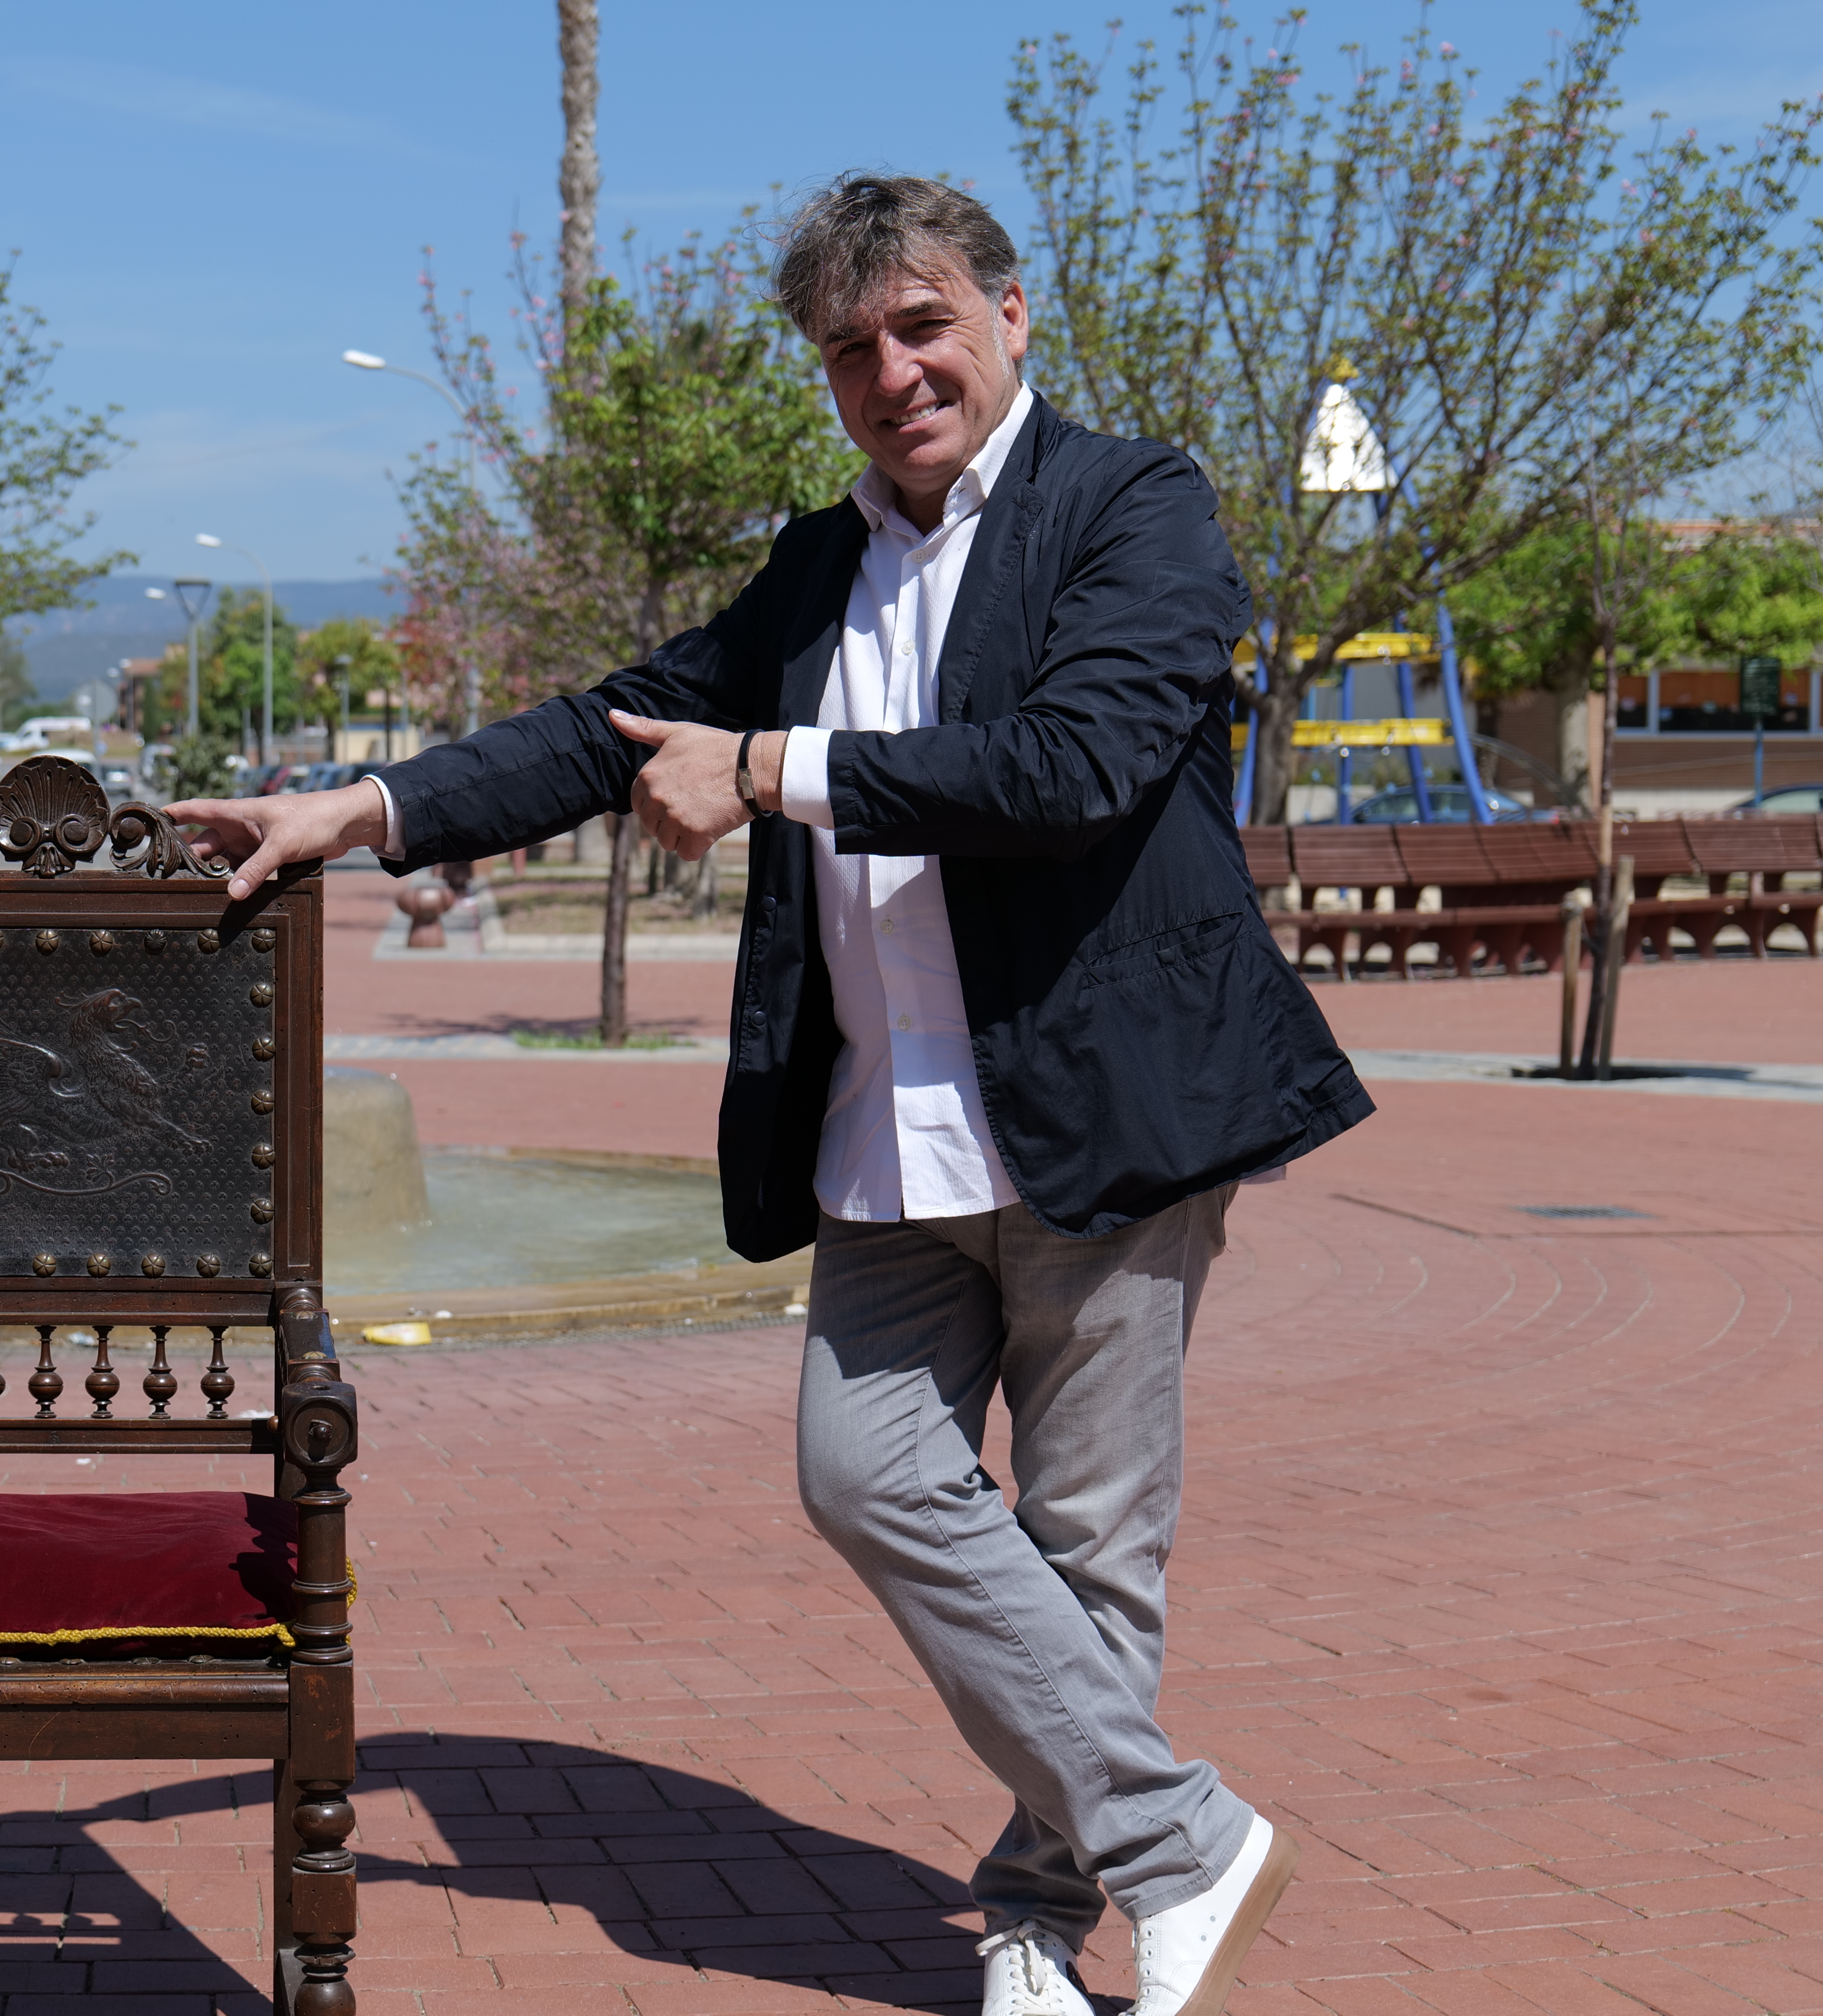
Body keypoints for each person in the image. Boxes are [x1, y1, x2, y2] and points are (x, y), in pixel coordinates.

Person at [167, 173, 1371, 2016]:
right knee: (864, 1476)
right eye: (852, 350)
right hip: (885, 1137)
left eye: (924, 327)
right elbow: (603, 731)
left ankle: (1045, 1924)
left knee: (1085, 1555)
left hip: (1104, 1126)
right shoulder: (819, 568)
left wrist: (772, 765)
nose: (895, 373)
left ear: (1009, 318)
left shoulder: (1135, 506)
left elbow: (1074, 762)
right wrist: (358, 811)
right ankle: (1186, 1840)